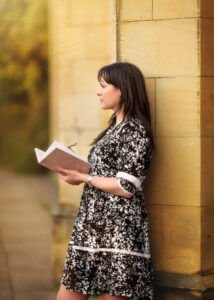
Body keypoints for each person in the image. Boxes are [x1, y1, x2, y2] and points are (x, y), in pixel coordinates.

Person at [56, 62, 154, 300]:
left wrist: (84, 177)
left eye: (103, 86)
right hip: (90, 229)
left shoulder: (135, 131)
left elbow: (127, 186)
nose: (98, 92)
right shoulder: (112, 128)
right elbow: (105, 173)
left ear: (121, 89)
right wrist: (76, 169)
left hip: (118, 232)